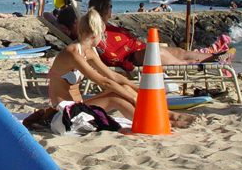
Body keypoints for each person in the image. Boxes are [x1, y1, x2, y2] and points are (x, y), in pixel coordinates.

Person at [47, 8, 194, 128]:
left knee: (126, 89)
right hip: (65, 112)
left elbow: (113, 76)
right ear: (95, 34)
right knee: (117, 99)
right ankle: (157, 122)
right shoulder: (72, 54)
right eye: (102, 35)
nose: (103, 39)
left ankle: (166, 115)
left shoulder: (89, 51)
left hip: (79, 105)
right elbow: (104, 82)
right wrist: (132, 97)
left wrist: (138, 91)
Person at [87, 0, 231, 71]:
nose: (112, 9)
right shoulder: (94, 29)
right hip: (129, 57)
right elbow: (108, 53)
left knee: (178, 50)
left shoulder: (108, 25)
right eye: (110, 6)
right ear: (105, 8)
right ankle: (184, 64)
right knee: (156, 52)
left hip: (136, 49)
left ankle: (214, 57)